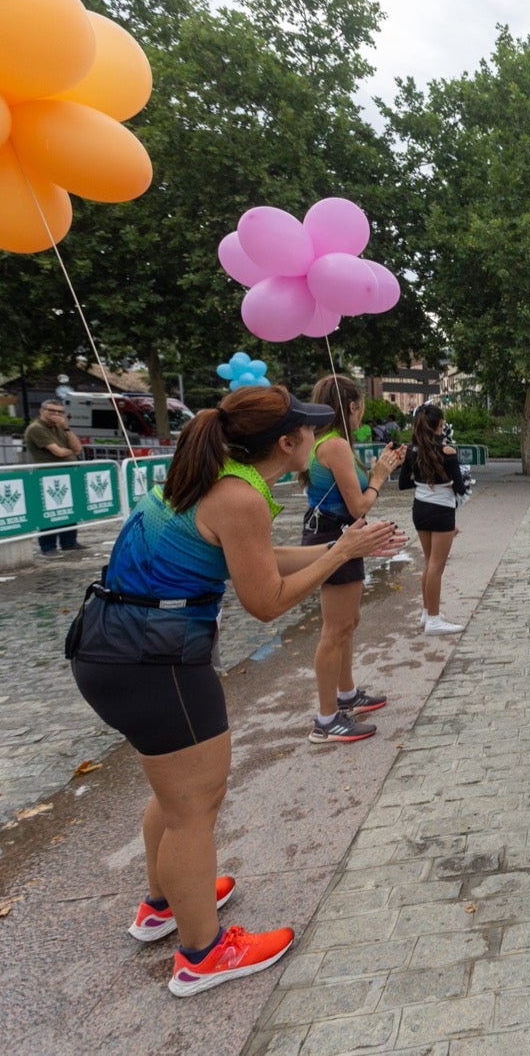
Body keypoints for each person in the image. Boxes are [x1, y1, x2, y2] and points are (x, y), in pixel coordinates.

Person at [68, 386, 405, 995]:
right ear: (285, 443)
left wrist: (342, 545)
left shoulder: (212, 473)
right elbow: (266, 601)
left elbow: (255, 556)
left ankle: (164, 903)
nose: (314, 437)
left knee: (174, 794)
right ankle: (203, 954)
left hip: (113, 647)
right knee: (195, 808)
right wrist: (342, 554)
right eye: (305, 428)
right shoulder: (242, 495)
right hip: (158, 659)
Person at [301, 375, 404, 744]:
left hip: (341, 534)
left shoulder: (325, 442)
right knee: (335, 629)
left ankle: (346, 695)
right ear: (350, 406)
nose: (363, 411)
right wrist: (379, 476)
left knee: (347, 621)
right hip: (335, 536)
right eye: (360, 404)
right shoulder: (336, 445)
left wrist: (380, 469)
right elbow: (359, 504)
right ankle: (326, 719)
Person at [398, 403, 467, 635]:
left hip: (420, 508)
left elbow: (403, 483)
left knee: (429, 562)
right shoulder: (447, 452)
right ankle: (435, 620)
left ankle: (427, 613)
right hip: (441, 509)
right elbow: (459, 486)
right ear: (440, 424)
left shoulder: (412, 451)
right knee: (437, 565)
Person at [23, 397, 86, 554]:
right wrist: (70, 451)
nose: (56, 415)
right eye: (52, 411)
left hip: (67, 472)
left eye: (60, 412)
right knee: (50, 512)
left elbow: (78, 448)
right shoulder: (36, 428)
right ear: (42, 411)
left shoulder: (60, 427)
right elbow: (58, 452)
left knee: (70, 509)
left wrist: (66, 429)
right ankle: (48, 546)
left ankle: (69, 542)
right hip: (48, 475)